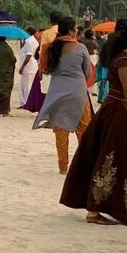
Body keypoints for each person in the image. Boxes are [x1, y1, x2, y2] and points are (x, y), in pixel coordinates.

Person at [61, 21, 127, 226]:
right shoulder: (123, 60)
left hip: (126, 112)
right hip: (117, 112)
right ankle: (94, 211)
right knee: (110, 157)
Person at [34, 18, 93, 174]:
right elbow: (87, 72)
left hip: (57, 90)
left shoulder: (51, 48)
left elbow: (47, 69)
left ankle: (63, 167)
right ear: (72, 31)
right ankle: (84, 165)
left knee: (61, 130)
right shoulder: (80, 48)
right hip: (78, 91)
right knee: (83, 129)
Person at [17, 26, 39, 108]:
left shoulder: (29, 41)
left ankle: (27, 103)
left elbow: (29, 54)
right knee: (24, 85)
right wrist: (21, 40)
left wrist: (22, 67)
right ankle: (24, 102)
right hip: (31, 66)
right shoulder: (32, 40)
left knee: (26, 86)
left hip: (28, 67)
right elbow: (23, 49)